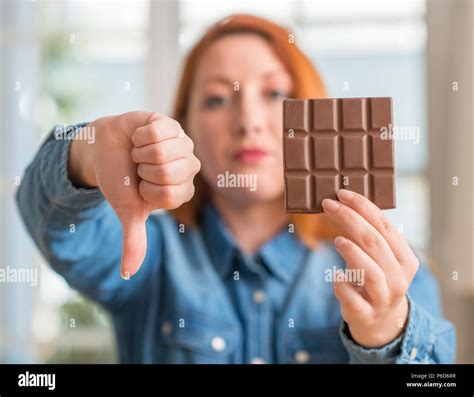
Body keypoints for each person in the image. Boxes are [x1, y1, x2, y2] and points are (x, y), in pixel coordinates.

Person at [16, 14, 455, 364]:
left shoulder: (388, 270)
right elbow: (50, 225)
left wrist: (386, 338)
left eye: (275, 94)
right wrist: (85, 155)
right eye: (217, 98)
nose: (248, 121)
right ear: (185, 127)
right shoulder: (148, 258)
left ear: (314, 116)